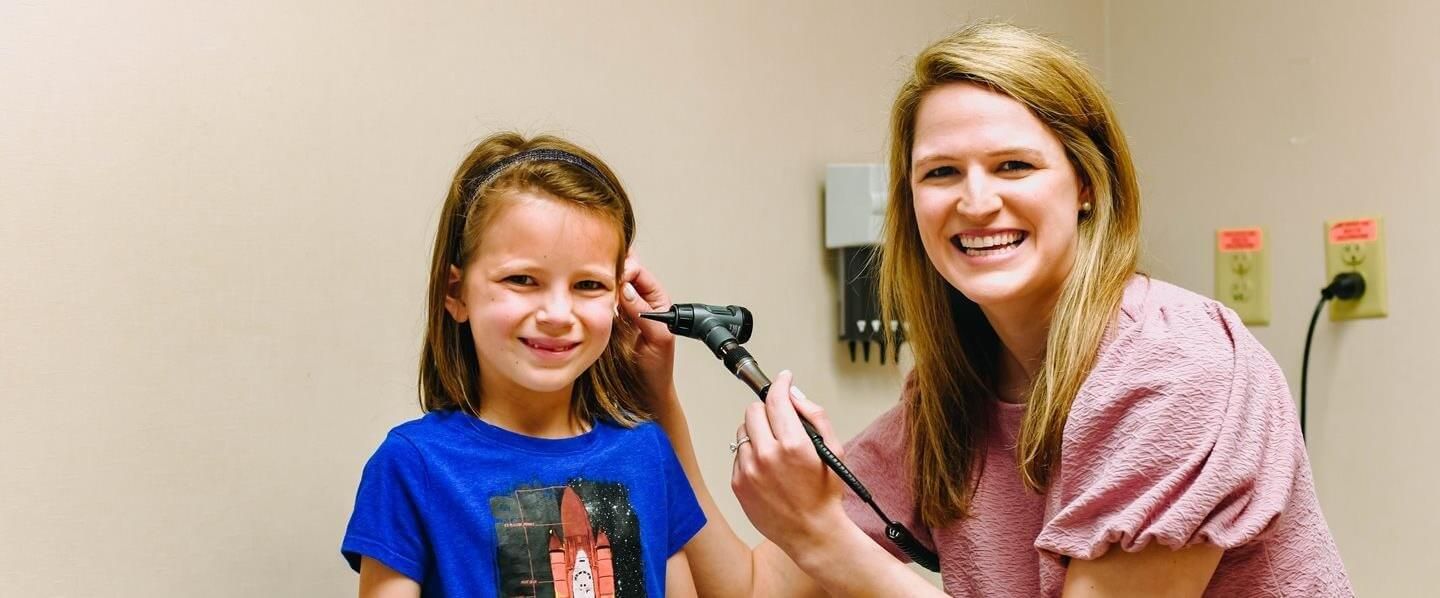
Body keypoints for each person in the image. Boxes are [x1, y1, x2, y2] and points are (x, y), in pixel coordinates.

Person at [616, 22, 1353, 597]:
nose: (974, 201)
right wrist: (661, 403)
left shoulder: (1177, 366)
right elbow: (748, 590)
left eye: (1014, 166)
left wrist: (821, 536)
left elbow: (823, 555)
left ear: (1086, 183)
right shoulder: (953, 398)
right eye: (940, 173)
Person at [342, 132, 705, 597]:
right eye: (522, 279)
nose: (557, 314)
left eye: (589, 285)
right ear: (455, 294)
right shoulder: (411, 466)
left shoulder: (649, 453)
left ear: (620, 297)